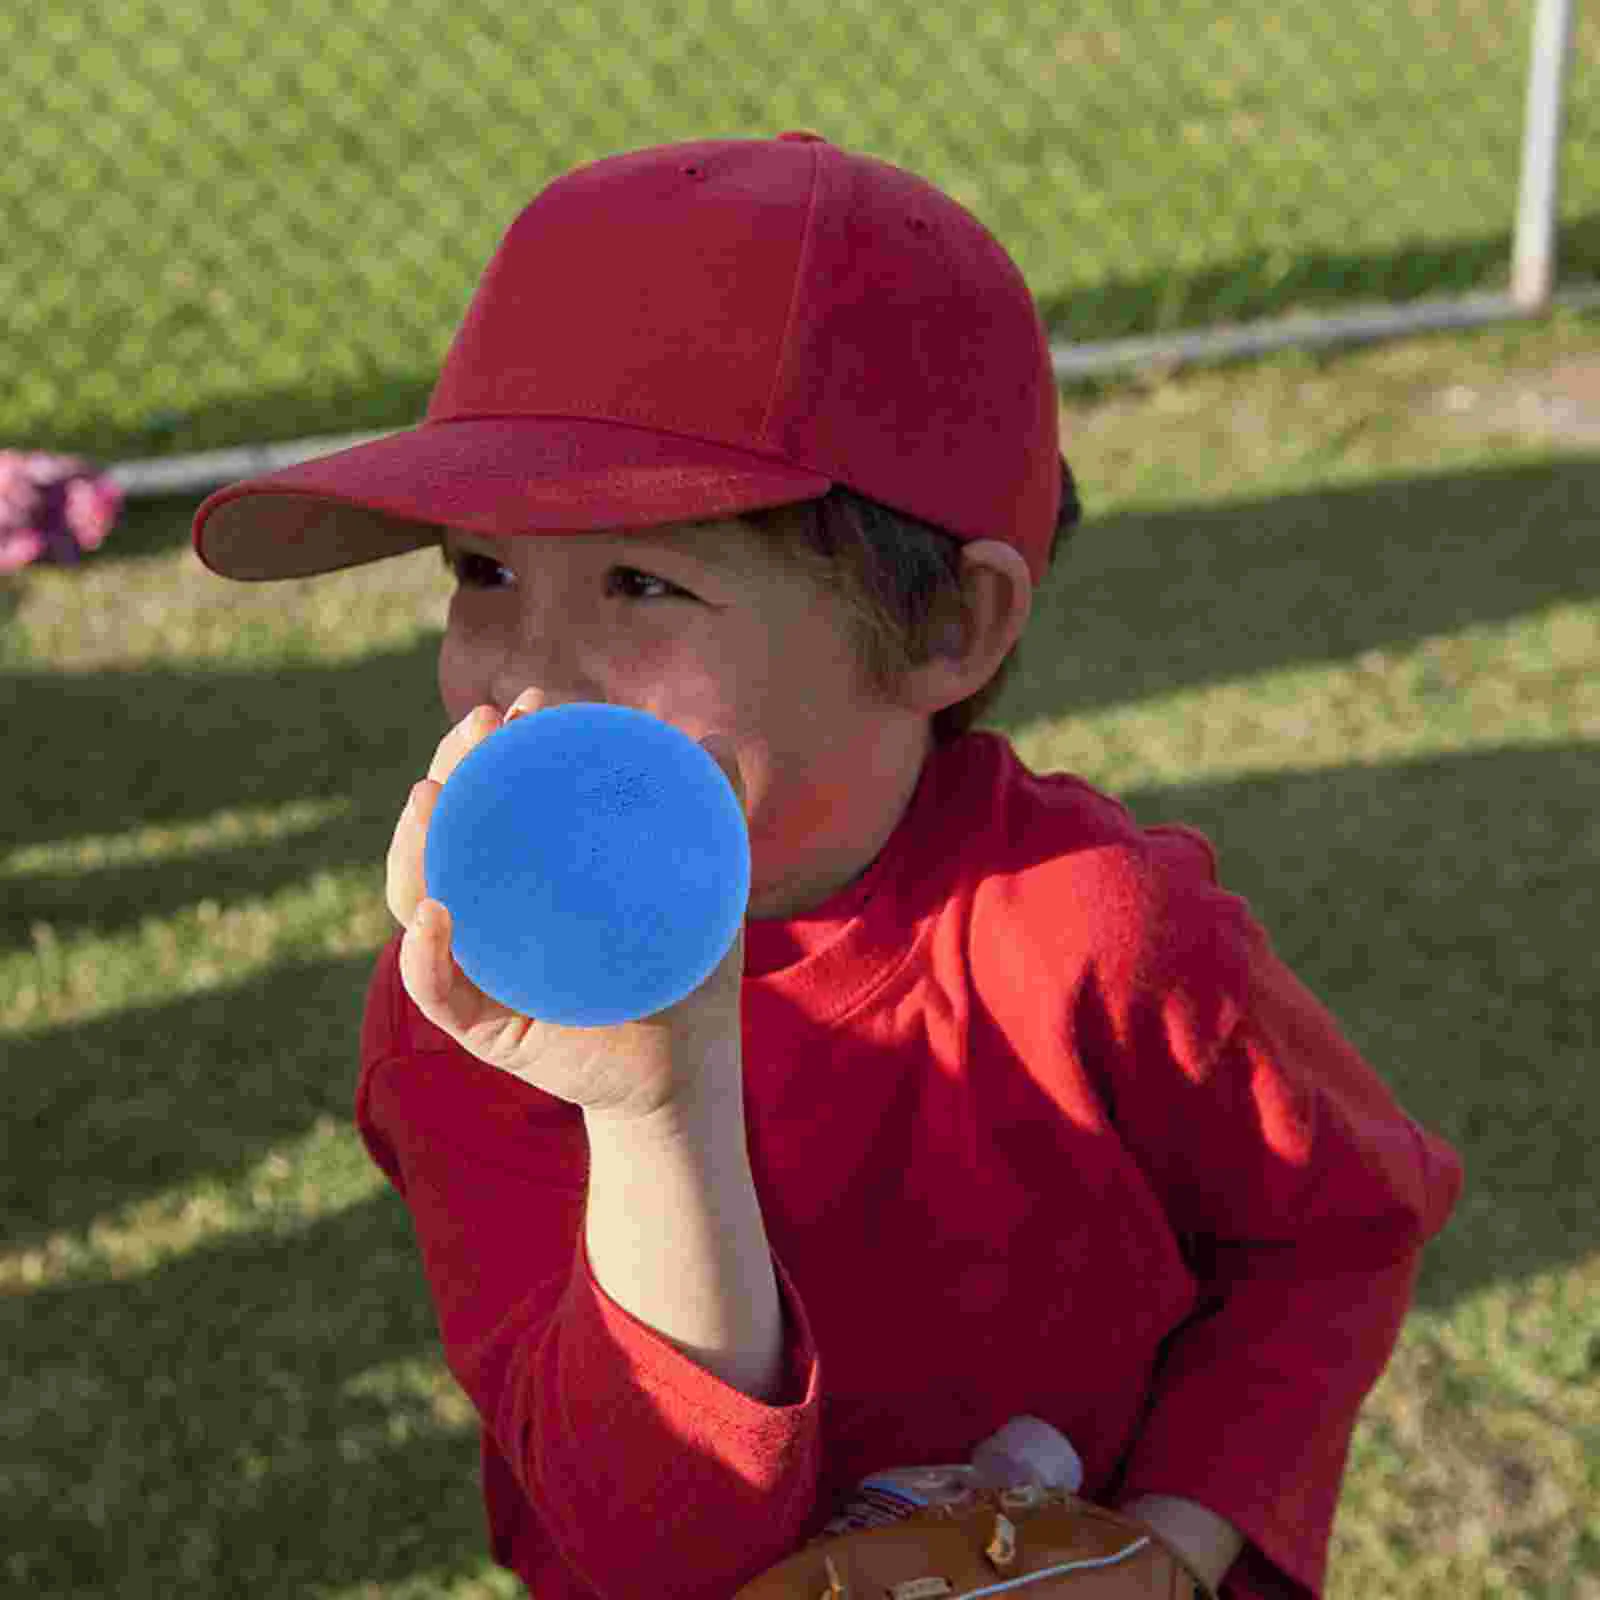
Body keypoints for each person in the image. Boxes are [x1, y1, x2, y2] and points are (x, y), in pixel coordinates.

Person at [192, 132, 1464, 1599]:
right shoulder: (481, 1003)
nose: (529, 680)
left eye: (643, 584)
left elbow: (1335, 1234)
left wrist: (1171, 1550)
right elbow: (654, 1547)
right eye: (482, 575)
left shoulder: (1103, 930)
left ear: (947, 633)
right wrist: (652, 1110)